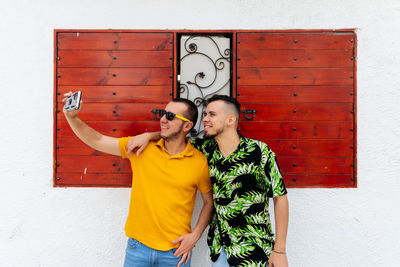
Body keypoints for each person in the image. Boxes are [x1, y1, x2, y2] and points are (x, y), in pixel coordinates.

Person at [128, 95, 289, 267]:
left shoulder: (260, 152)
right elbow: (175, 136)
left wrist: (279, 250)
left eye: (211, 114)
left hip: (254, 251)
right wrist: (149, 136)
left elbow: (280, 198)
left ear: (230, 119)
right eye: (205, 114)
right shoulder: (205, 150)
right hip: (220, 250)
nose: (205, 119)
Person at [63, 93, 213, 267]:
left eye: (171, 116)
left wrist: (194, 237)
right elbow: (98, 140)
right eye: (162, 113)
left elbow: (209, 202)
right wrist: (72, 118)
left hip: (176, 252)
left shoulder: (199, 161)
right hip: (138, 249)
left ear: (187, 125)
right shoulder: (141, 148)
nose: (163, 119)